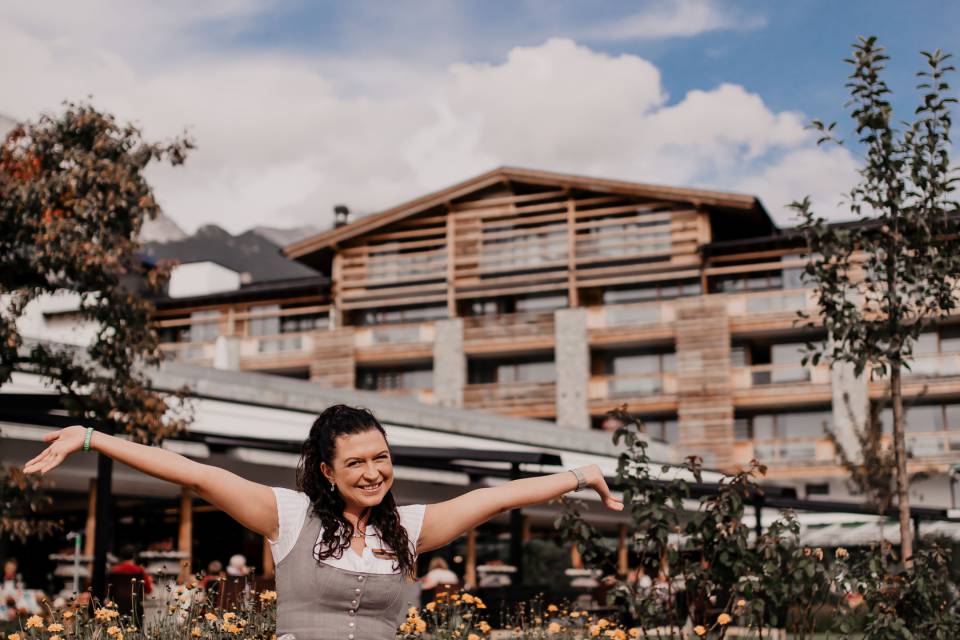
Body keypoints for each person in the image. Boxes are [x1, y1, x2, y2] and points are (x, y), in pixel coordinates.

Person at [23, 404, 622, 640]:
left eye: (381, 458)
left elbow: (498, 498)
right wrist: (94, 438)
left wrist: (580, 474)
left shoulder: (408, 528)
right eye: (356, 463)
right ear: (328, 472)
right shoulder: (289, 516)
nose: (372, 472)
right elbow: (194, 475)